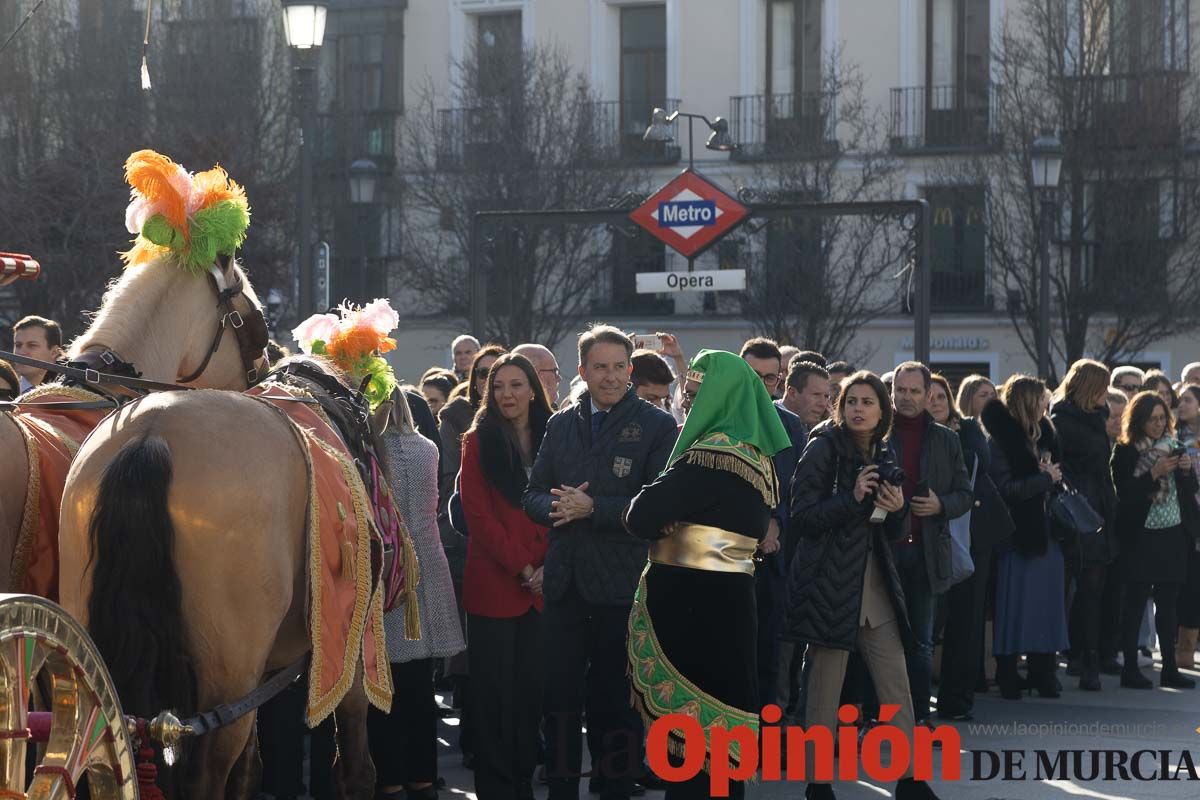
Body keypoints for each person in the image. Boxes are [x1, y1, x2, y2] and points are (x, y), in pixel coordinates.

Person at [624, 350, 792, 800]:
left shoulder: (706, 457)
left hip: (692, 612)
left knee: (690, 745)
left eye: (697, 396)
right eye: (688, 393)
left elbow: (639, 515)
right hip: (730, 604)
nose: (686, 403)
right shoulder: (754, 458)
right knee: (720, 739)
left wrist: (666, 517)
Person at [522, 325, 677, 800]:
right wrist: (556, 508)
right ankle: (562, 788)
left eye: (618, 367)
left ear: (630, 370)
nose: (610, 377)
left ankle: (615, 787)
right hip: (565, 583)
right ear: (582, 371)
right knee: (560, 699)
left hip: (622, 587)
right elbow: (531, 493)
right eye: (600, 368)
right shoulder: (560, 423)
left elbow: (660, 507)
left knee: (616, 702)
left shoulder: (656, 425)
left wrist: (595, 509)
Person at [784, 371, 941, 800]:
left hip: (875, 586)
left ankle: (910, 779)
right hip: (830, 584)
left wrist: (896, 511)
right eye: (850, 400)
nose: (857, 408)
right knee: (822, 690)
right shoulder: (822, 446)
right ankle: (817, 785)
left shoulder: (883, 448)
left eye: (867, 402)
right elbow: (801, 516)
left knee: (897, 686)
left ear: (881, 411)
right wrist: (850, 498)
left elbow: (889, 531)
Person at [458, 354, 554, 799]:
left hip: (544, 589)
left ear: (532, 389)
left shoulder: (556, 435)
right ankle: (496, 790)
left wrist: (548, 565)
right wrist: (524, 566)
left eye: (516, 385)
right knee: (494, 699)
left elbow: (568, 505)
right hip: (496, 586)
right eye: (498, 387)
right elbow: (478, 517)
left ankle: (522, 783)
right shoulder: (477, 441)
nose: (507, 394)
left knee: (531, 696)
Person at [371, 389, 467, 800]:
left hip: (386, 571)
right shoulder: (427, 447)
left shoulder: (370, 453)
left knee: (384, 687)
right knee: (420, 688)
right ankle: (423, 777)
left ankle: (389, 777)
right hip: (427, 567)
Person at [888, 362, 973, 727]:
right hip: (884, 551)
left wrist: (941, 504)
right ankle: (880, 716)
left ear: (928, 395)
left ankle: (919, 716)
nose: (907, 398)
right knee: (880, 642)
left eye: (915, 391)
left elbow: (966, 494)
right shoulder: (877, 433)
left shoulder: (946, 439)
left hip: (927, 553)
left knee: (922, 642)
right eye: (901, 391)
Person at [931, 374, 1014, 720]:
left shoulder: (967, 431)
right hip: (931, 535)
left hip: (972, 535)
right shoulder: (908, 436)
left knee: (967, 622)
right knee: (930, 622)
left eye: (940, 395)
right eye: (928, 395)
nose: (934, 401)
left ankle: (958, 700)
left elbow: (975, 468)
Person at [982, 376, 1069, 700]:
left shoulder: (1046, 434)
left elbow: (1058, 476)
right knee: (1014, 607)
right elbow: (1004, 491)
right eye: (1042, 399)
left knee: (1047, 606)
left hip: (1048, 534)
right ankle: (1008, 674)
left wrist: (1051, 477)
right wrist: (1043, 478)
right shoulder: (1000, 441)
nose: (1047, 405)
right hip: (1017, 536)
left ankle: (1042, 671)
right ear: (1029, 402)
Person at [1111, 391, 1200, 689]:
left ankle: (1170, 668)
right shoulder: (1125, 451)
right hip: (1141, 535)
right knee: (1135, 602)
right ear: (1139, 420)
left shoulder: (1174, 446)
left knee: (1169, 603)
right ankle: (1130, 669)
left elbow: (1190, 489)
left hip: (1173, 532)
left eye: (1163, 418)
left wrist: (1186, 472)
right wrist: (1153, 473)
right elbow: (1124, 493)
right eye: (1153, 419)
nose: (1159, 424)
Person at [739, 338, 806, 709]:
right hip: (729, 556)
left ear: (779, 381)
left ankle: (767, 735)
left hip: (775, 560)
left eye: (769, 377)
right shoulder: (718, 417)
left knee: (771, 655)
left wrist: (777, 524)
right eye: (753, 375)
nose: (761, 384)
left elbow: (796, 487)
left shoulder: (791, 426)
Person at [1050, 360, 1121, 691]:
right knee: (1073, 590)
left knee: (1092, 591)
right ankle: (1074, 658)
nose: (1105, 394)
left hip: (1098, 511)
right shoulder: (1061, 421)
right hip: (1075, 511)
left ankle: (1086, 657)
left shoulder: (1097, 419)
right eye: (1101, 387)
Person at [1174, 384, 1200, 669]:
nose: (1181, 405)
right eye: (1179, 400)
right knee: (1189, 584)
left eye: (1188, 400)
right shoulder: (1173, 436)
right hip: (1183, 519)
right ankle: (1183, 650)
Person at [12, 315, 63, 392]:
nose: (21, 352)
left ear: (54, 352)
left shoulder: (71, 394)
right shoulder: (6, 392)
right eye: (18, 345)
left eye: (32, 345)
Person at [780, 360, 831, 434]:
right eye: (816, 395)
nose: (822, 404)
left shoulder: (815, 428)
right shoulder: (769, 422)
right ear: (792, 393)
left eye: (826, 396)